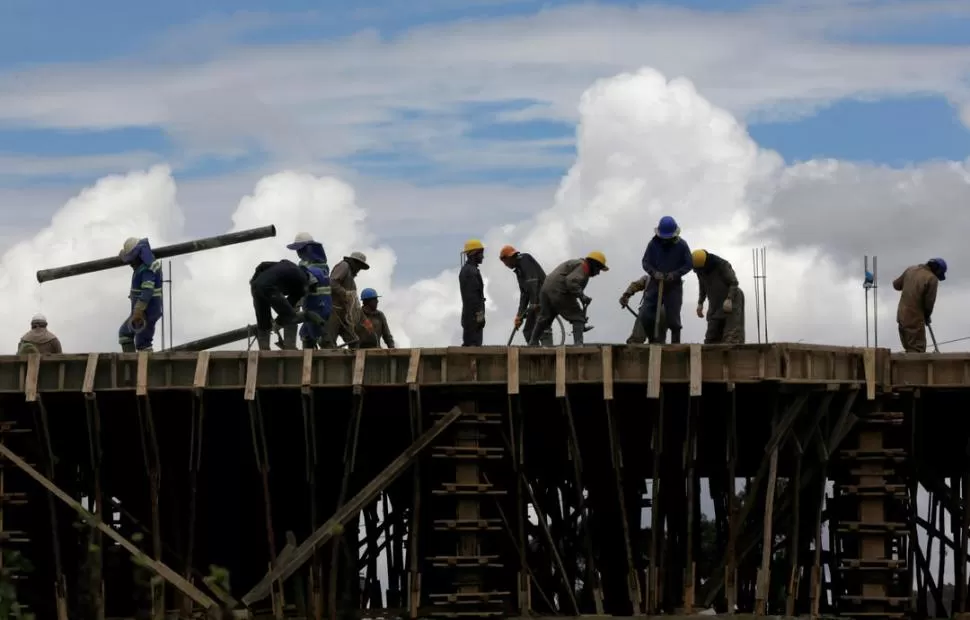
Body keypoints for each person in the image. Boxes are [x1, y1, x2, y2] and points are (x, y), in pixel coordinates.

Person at [529, 252, 609, 346]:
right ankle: (578, 345)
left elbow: (571, 286)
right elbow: (571, 281)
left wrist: (580, 297)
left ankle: (533, 342)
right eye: (598, 269)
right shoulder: (583, 267)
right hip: (559, 289)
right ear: (594, 264)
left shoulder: (577, 264)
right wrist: (582, 296)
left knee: (545, 317)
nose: (598, 273)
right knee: (577, 317)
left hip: (546, 289)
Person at [639, 216, 693, 344]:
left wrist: (675, 274)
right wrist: (654, 273)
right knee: (645, 314)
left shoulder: (682, 245)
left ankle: (676, 346)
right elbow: (645, 262)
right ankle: (653, 341)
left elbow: (688, 264)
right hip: (655, 283)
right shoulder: (653, 244)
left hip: (673, 286)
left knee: (673, 320)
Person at [249, 259, 324, 351]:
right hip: (269, 288)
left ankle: (264, 351)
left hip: (255, 287)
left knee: (263, 323)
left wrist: (254, 280)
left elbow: (262, 265)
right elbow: (288, 308)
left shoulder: (287, 265)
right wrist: (278, 323)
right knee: (291, 317)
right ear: (310, 282)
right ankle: (308, 316)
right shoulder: (303, 285)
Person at [499, 245, 552, 346]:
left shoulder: (525, 260)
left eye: (505, 263)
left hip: (542, 300)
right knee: (528, 331)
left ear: (508, 258)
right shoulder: (519, 270)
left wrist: (536, 303)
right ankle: (535, 353)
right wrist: (519, 315)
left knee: (544, 329)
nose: (505, 265)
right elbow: (524, 294)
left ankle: (548, 353)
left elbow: (533, 282)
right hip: (534, 302)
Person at [287, 233, 333, 349]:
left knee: (318, 334)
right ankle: (310, 359)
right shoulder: (306, 265)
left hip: (319, 307)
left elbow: (303, 286)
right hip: (310, 306)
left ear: (307, 249)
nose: (298, 253)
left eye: (300, 249)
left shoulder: (317, 268)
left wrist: (294, 303)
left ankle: (327, 355)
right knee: (305, 334)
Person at [118, 237, 164, 352]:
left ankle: (137, 366)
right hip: (145, 312)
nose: (130, 263)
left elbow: (147, 290)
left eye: (131, 260)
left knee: (135, 338)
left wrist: (138, 310)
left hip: (146, 312)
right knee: (140, 340)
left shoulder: (147, 268)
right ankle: (137, 364)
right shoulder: (143, 267)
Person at [893, 258, 946, 353]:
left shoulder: (910, 270)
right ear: (937, 270)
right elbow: (929, 303)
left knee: (909, 350)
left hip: (901, 317)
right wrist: (927, 315)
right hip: (914, 319)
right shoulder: (931, 278)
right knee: (917, 352)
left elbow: (896, 285)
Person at [692, 249, 745, 344]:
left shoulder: (722, 265)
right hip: (715, 302)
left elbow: (734, 282)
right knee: (711, 338)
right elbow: (702, 286)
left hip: (732, 300)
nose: (700, 272)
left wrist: (729, 299)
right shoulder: (700, 270)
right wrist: (700, 303)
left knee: (732, 337)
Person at [327, 251, 370, 349]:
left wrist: (365, 321)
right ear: (355, 262)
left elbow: (355, 304)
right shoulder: (344, 266)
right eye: (359, 266)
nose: (359, 269)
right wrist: (344, 293)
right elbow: (332, 282)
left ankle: (353, 364)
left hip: (344, 314)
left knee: (354, 341)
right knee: (328, 343)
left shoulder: (351, 280)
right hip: (333, 311)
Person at [460, 239, 486, 346]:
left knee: (472, 345)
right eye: (481, 254)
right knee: (473, 347)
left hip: (471, 317)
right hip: (472, 318)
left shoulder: (469, 270)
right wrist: (479, 315)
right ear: (474, 254)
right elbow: (472, 298)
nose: (483, 257)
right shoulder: (470, 272)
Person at [619, 275, 651, 344]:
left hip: (661, 310)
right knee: (637, 340)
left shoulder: (673, 276)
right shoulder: (649, 277)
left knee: (658, 342)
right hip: (648, 309)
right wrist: (626, 295)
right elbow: (636, 285)